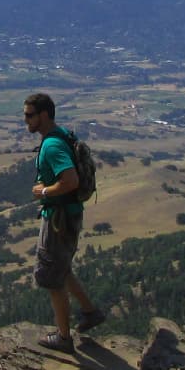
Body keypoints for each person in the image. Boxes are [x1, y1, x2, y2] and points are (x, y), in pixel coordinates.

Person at [24, 92, 105, 353]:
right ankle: (90, 312)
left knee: (50, 276)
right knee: (62, 267)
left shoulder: (52, 145)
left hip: (59, 219)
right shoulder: (60, 136)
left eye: (29, 115)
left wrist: (44, 192)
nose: (25, 120)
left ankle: (63, 337)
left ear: (43, 115)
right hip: (67, 215)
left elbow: (70, 180)